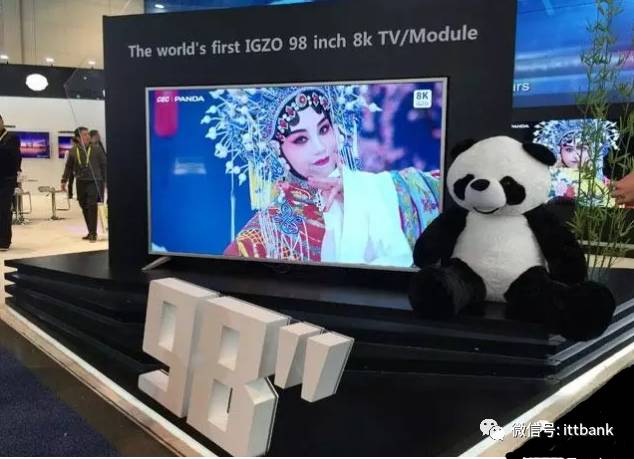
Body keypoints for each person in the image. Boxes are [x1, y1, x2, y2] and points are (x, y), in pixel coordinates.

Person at [212, 86, 441, 267]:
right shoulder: (260, 239)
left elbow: (445, 191)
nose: (320, 147)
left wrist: (359, 192)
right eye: (301, 139)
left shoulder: (374, 190)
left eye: (323, 129)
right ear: (274, 150)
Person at [61, 126, 107, 242]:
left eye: (88, 134)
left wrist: (106, 181)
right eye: (85, 134)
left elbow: (104, 165)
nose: (88, 136)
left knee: (92, 205)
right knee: (84, 206)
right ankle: (90, 231)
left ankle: (93, 233)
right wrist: (64, 180)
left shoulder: (96, 149)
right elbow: (68, 167)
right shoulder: (73, 151)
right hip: (80, 182)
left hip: (94, 181)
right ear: (78, 137)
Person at [0, 114, 21, 251]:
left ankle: (4, 240)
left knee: (4, 210)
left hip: (7, 180)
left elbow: (14, 156)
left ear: (2, 122)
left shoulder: (11, 138)